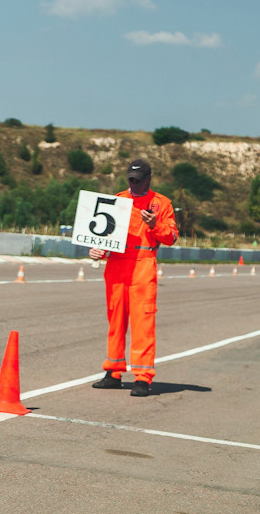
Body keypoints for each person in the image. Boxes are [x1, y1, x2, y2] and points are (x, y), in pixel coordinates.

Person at [89, 159, 178, 397]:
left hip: (143, 265)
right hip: (116, 266)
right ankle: (113, 372)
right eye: (131, 179)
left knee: (143, 322)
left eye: (138, 180)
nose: (134, 184)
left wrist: (155, 225)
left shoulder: (162, 203)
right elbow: (103, 234)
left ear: (149, 179)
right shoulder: (116, 200)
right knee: (115, 320)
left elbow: (171, 237)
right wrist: (98, 251)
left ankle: (142, 377)